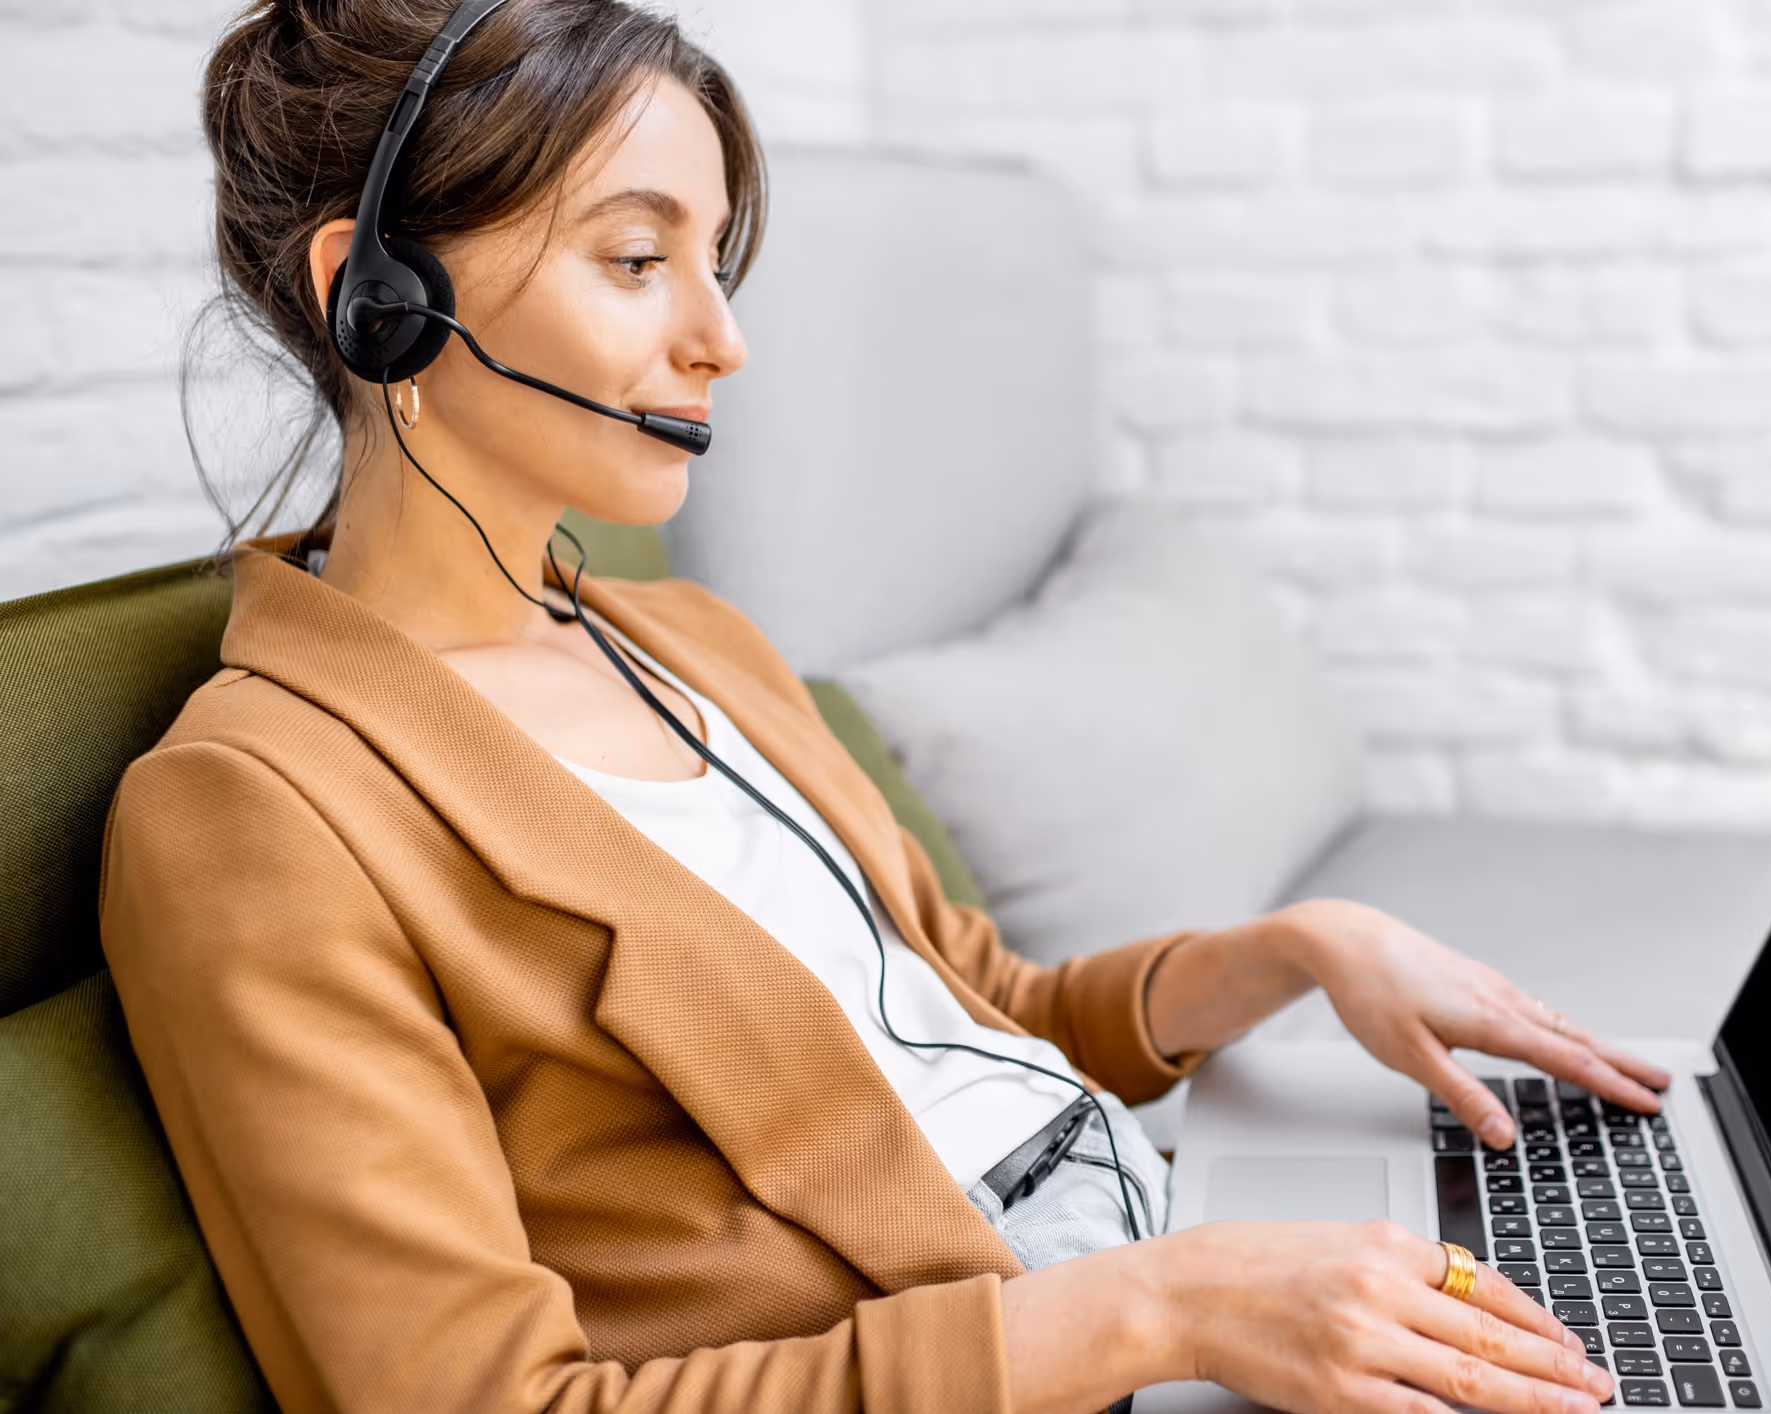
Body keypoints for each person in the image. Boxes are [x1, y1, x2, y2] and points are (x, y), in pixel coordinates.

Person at [98, 2, 1671, 1410]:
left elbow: (975, 1005)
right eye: (637, 258)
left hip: (1167, 1275)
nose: (720, 338)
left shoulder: (693, 641)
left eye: (716, 264)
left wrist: (1297, 951)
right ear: (376, 299)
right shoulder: (255, 806)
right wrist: (1147, 1314)